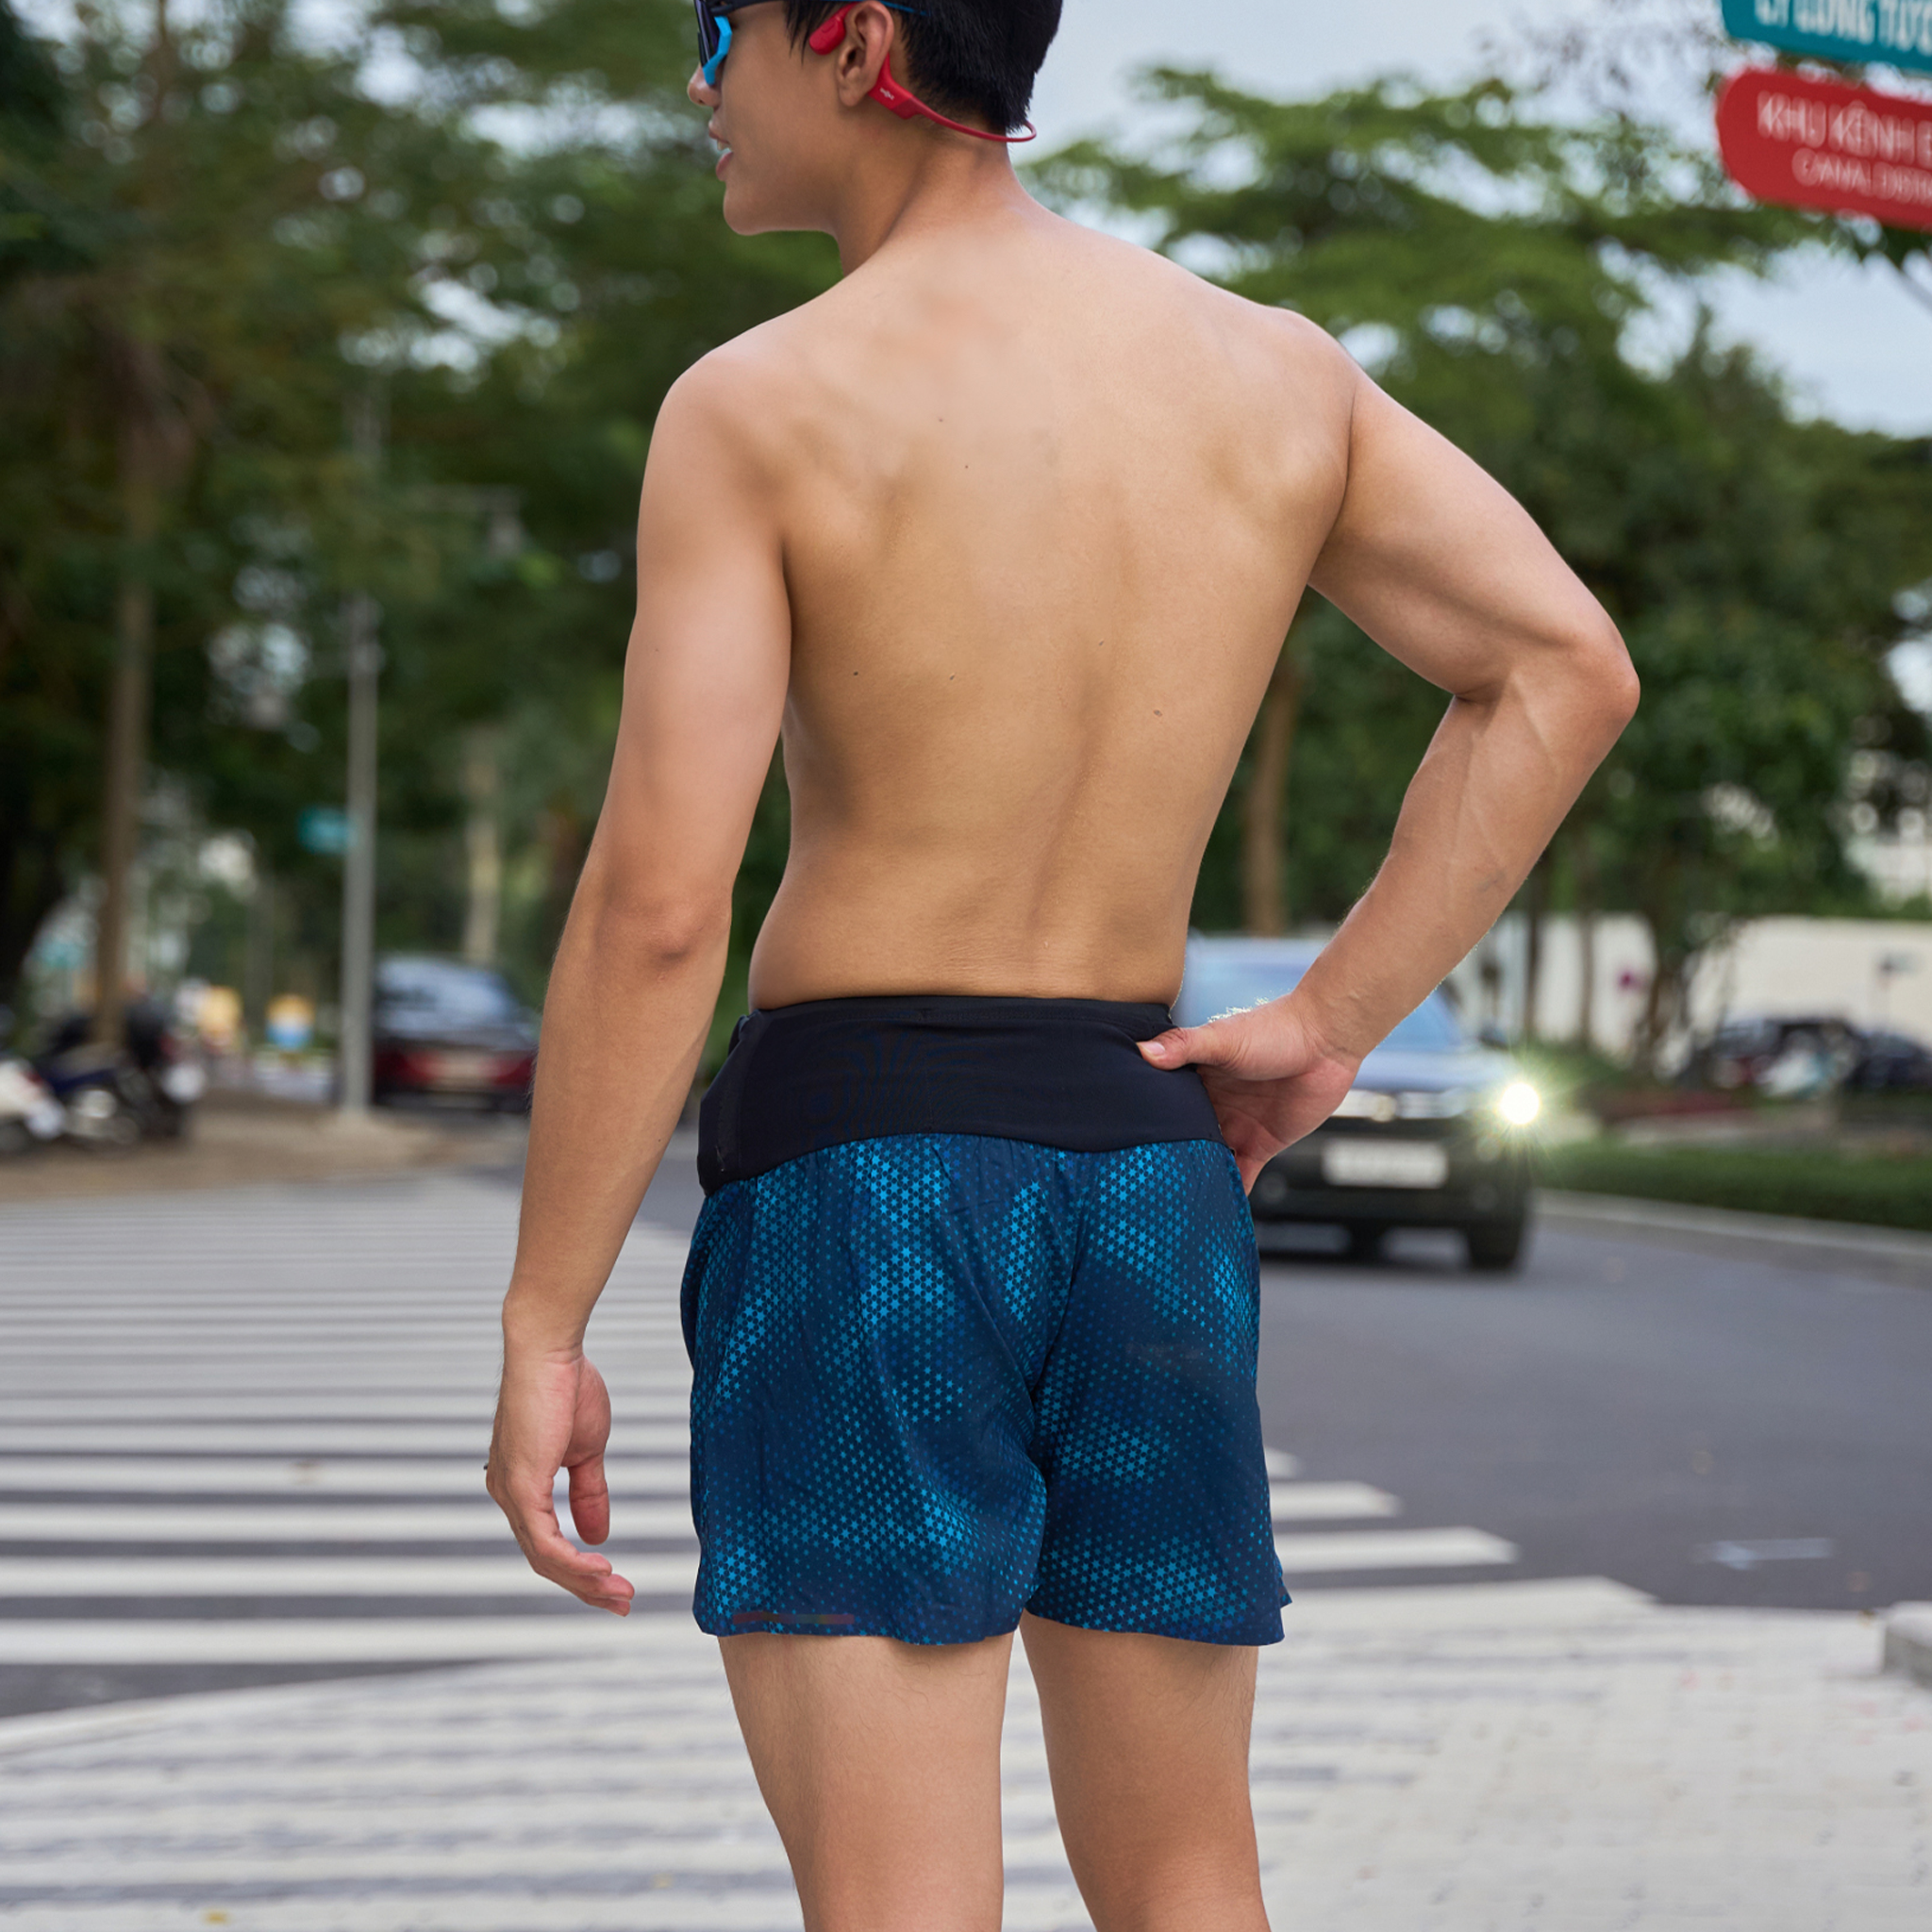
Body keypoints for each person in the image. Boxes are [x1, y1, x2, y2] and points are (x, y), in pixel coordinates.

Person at [485, 3, 1640, 1926]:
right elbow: (1560, 669)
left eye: (719, 26)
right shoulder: (1273, 375)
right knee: (1188, 1880)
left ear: (852, 41)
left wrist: (545, 1325)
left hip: (863, 1195)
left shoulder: (763, 402)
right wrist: (1330, 1020)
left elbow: (660, 907)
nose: (700, 80)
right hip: (1149, 1181)